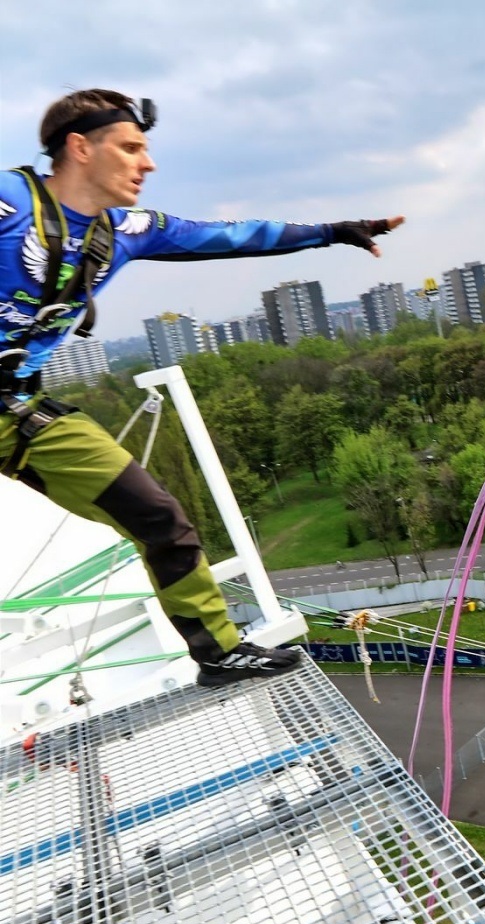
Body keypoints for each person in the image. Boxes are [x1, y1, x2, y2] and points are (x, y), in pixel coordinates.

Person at [1, 89, 402, 688]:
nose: (148, 163)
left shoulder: (127, 230)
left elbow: (232, 236)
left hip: (19, 410)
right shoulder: (9, 203)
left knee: (158, 515)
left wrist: (332, 232)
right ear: (80, 148)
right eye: (132, 147)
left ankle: (217, 653)